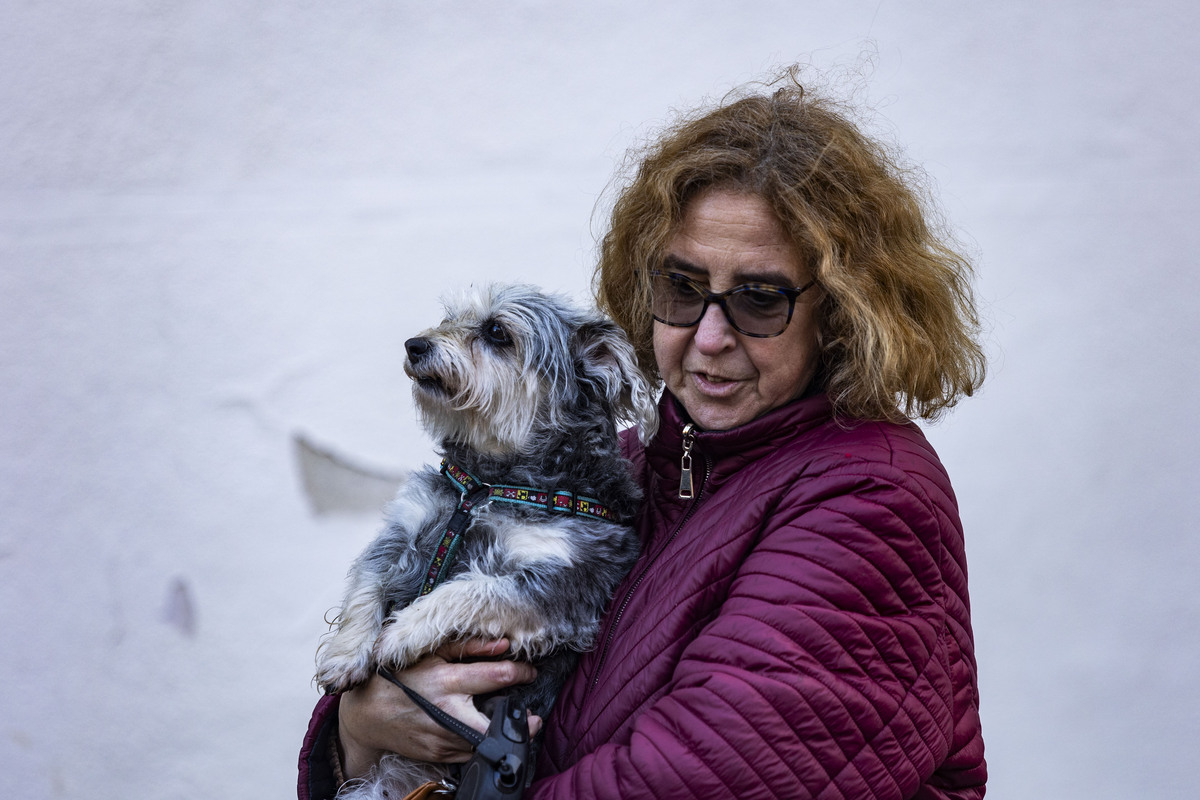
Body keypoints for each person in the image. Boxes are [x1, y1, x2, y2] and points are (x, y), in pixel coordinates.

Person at [299, 74, 988, 800]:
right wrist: (361, 728)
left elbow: (702, 777)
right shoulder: (628, 468)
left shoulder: (868, 499)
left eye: (759, 299)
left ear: (844, 312)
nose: (710, 338)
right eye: (682, 288)